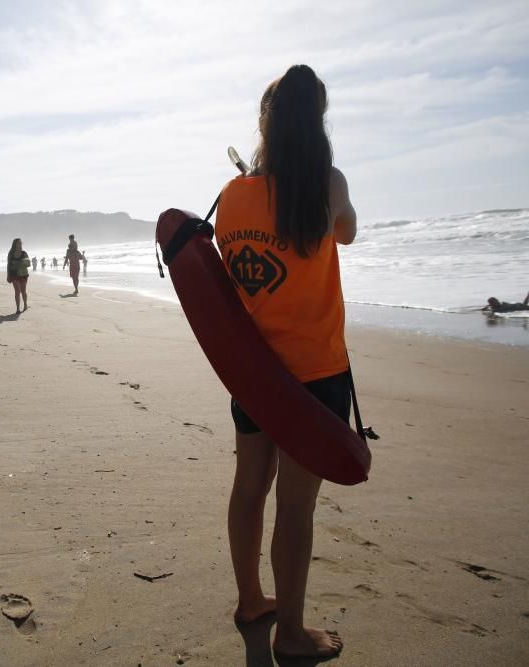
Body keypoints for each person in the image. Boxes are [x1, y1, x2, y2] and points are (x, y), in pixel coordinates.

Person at [214, 65, 358, 660]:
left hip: (254, 373)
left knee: (250, 486)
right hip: (316, 376)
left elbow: (228, 267)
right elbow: (346, 233)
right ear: (317, 122)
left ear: (266, 123)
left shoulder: (234, 195)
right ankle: (292, 636)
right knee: (295, 507)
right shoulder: (326, 185)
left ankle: (252, 600)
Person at [6, 238, 30, 313]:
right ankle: (18, 309)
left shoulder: (24, 253)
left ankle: (25, 305)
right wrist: (8, 275)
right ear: (14, 245)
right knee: (17, 291)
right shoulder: (11, 254)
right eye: (18, 243)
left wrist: (22, 263)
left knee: (23, 291)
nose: (19, 245)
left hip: (23, 274)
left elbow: (28, 264)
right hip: (14, 274)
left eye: (20, 243)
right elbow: (8, 265)